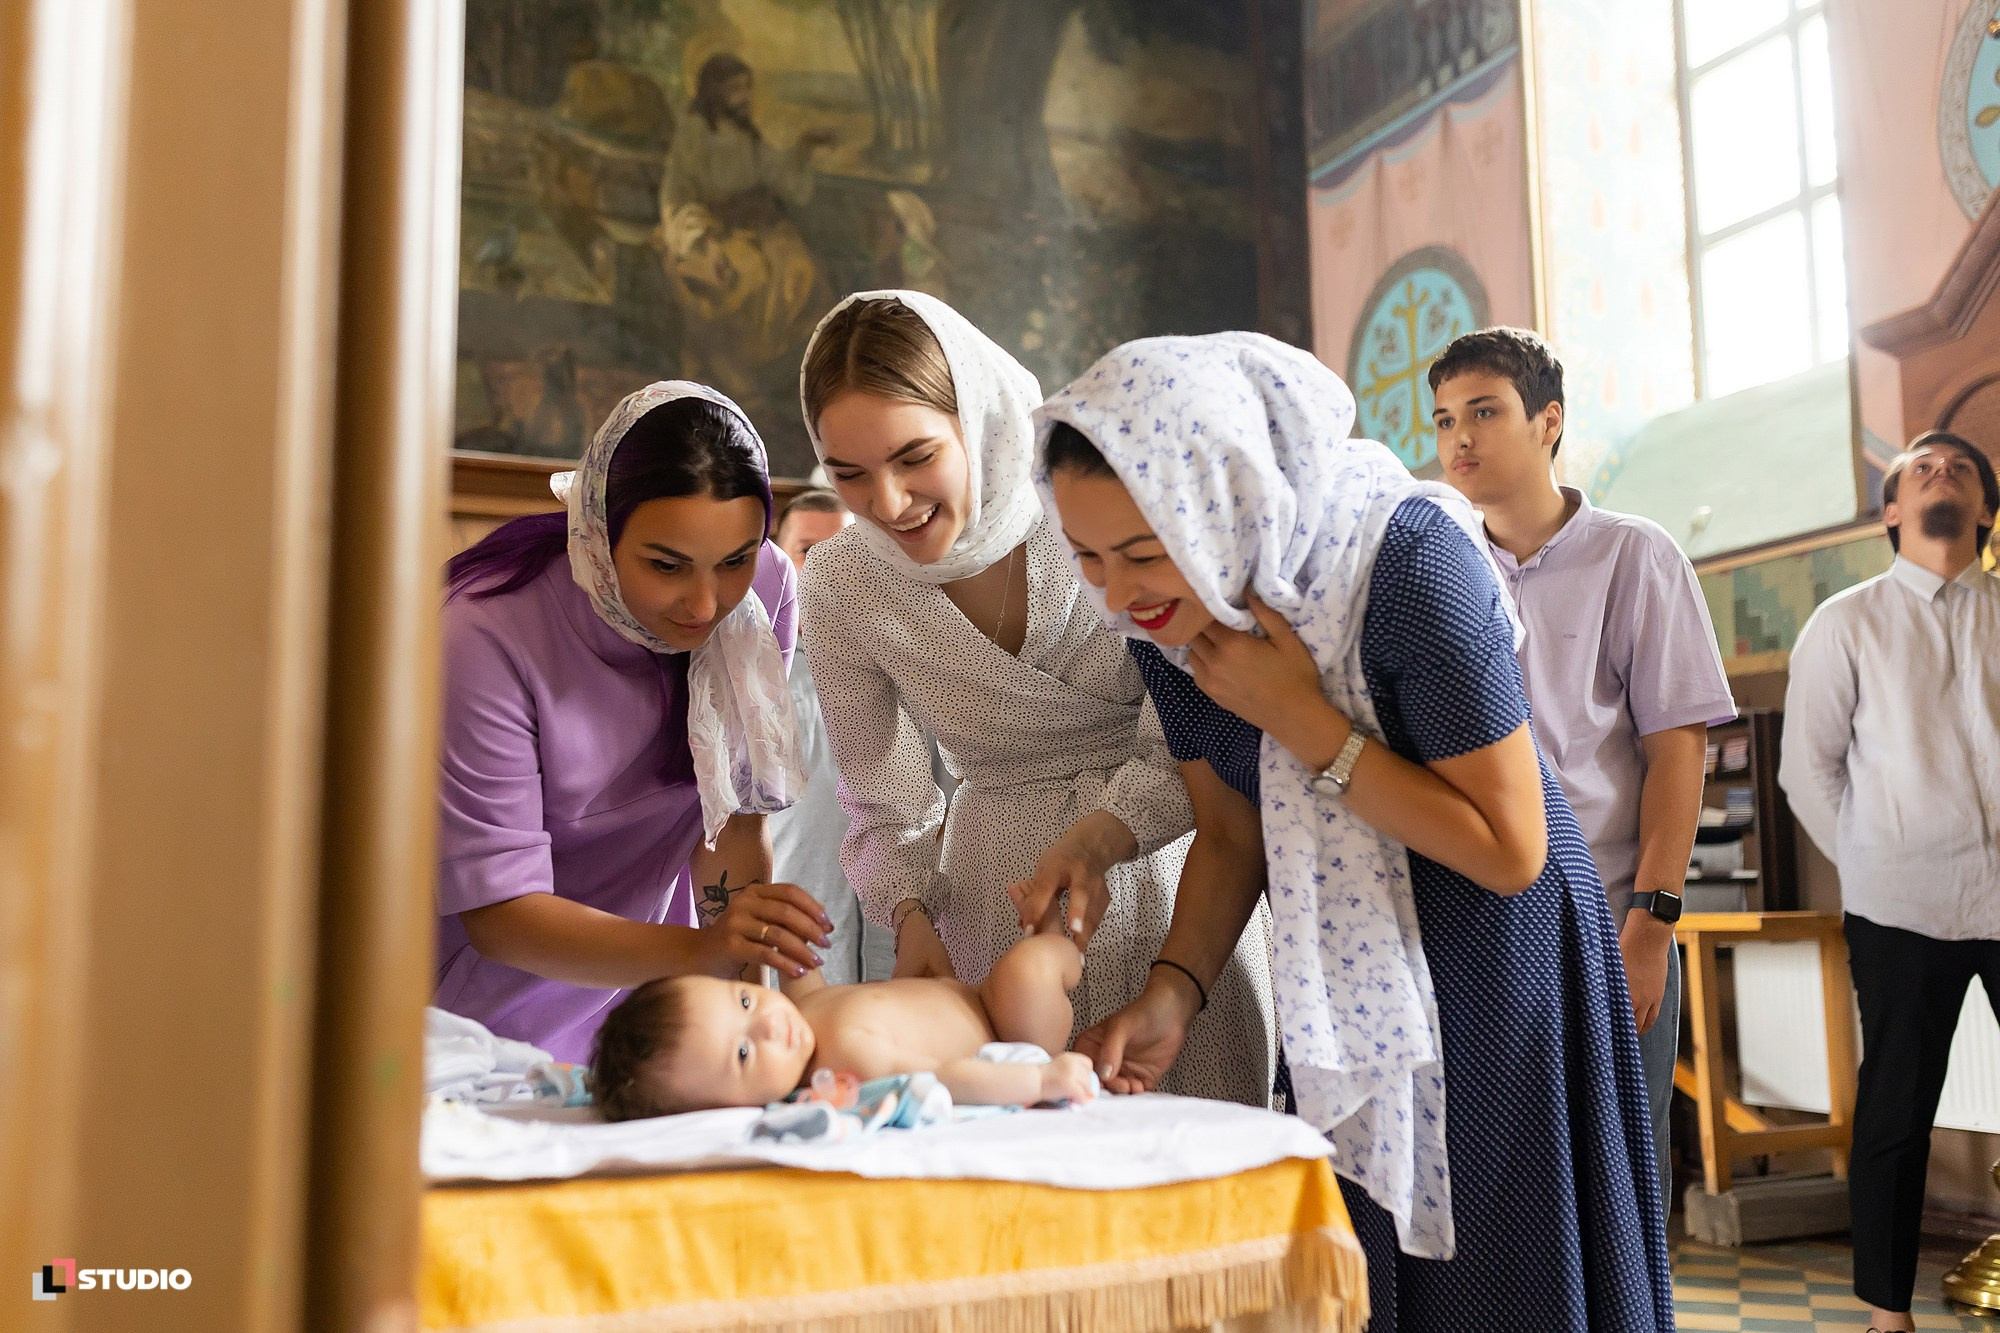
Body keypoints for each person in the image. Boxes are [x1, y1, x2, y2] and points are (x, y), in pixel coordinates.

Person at [1030, 333, 1671, 1332]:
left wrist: (1303, 720)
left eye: (1144, 551)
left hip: (1496, 960)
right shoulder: (1164, 620)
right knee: (1364, 1278)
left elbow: (1510, 850)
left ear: (1223, 501)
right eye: (1086, 557)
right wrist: (1171, 992)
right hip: (1342, 981)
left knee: (1502, 1281)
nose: (1117, 592)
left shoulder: (1405, 562)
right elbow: (1232, 833)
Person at [796, 290, 1275, 1105]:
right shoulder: (842, 583)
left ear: (975, 419)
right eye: (849, 473)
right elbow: (884, 797)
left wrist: (1110, 832)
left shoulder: (1088, 508)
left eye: (915, 457)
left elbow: (1192, 727)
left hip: (1175, 874)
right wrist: (911, 914)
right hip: (996, 897)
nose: (886, 501)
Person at [1431, 326, 1734, 1220]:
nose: (1460, 440)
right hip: (1476, 919)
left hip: (1610, 912)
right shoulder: (1435, 565)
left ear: (1548, 421)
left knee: (1622, 1188)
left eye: (1484, 411)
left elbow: (1677, 746)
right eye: (1445, 419)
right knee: (1502, 1195)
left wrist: (1653, 920)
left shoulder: (1636, 556)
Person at [435, 382, 831, 1064]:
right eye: (666, 565)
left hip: (651, 999)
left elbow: (731, 825)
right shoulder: (483, 634)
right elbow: (501, 915)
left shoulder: (763, 592)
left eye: (734, 559)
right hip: (468, 1018)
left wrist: (749, 1001)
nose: (706, 605)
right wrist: (704, 950)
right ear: (597, 526)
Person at [1779, 431, 2000, 1333]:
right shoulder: (1847, 622)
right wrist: (1875, 862)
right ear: (1891, 511)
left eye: (1961, 467)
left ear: (1987, 508)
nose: (1941, 472)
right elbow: (1807, 770)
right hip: (1899, 905)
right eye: (1920, 468)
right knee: (1898, 1112)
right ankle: (1885, 1312)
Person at [590, 933, 1095, 1118]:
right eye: (742, 1055)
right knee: (1030, 968)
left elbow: (807, 985)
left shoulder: (795, 1021)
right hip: (1008, 1034)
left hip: (970, 991)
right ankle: (1068, 936)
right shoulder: (848, 1062)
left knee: (1018, 968)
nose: (767, 1025)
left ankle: (1059, 930)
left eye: (744, 1000)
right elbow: (946, 1078)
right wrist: (1040, 1080)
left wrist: (788, 945)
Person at [767, 489, 891, 983]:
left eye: (846, 549)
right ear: (777, 559)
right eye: (808, 550)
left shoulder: (909, 668)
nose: (826, 567)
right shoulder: (752, 676)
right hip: (791, 930)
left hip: (896, 934)